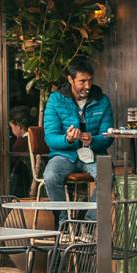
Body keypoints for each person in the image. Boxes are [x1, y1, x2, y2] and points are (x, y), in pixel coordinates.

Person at [41, 59, 115, 219]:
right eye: (82, 81)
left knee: (107, 176)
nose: (87, 86)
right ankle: (63, 224)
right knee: (50, 176)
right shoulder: (55, 100)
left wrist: (93, 140)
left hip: (94, 153)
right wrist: (67, 139)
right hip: (64, 155)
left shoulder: (102, 100)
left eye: (90, 80)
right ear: (70, 79)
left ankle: (89, 224)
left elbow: (108, 136)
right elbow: (50, 138)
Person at [8, 106, 35, 197]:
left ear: (19, 126)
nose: (12, 131)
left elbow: (8, 165)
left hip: (23, 185)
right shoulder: (35, 138)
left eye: (12, 127)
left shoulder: (21, 143)